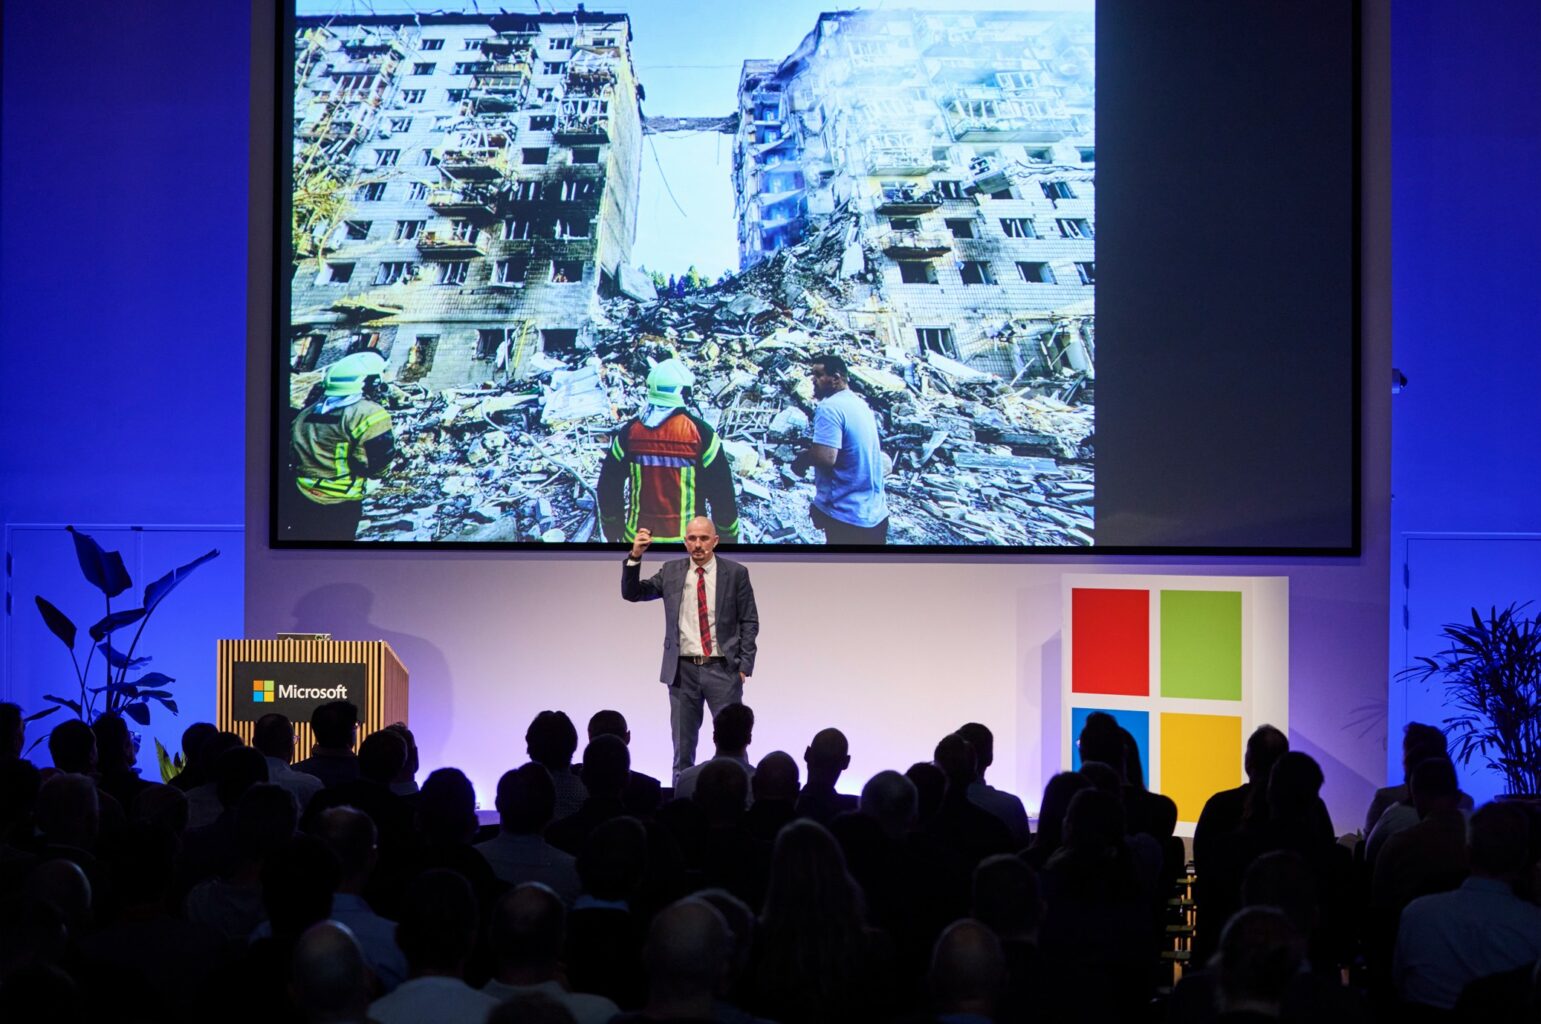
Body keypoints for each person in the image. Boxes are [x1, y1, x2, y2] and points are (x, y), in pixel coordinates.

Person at [621, 516, 759, 781]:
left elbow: (749, 620)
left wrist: (744, 666)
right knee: (683, 750)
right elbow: (633, 593)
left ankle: (741, 795)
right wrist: (635, 556)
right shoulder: (671, 571)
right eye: (692, 539)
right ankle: (680, 798)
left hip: (723, 670)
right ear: (685, 542)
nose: (698, 544)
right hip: (682, 672)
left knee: (734, 744)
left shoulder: (735, 573)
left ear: (715, 541)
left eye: (704, 538)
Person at [598, 357, 740, 545]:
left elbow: (608, 486)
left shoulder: (629, 433)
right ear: (684, 392)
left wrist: (612, 527)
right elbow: (722, 494)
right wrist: (728, 537)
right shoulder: (701, 434)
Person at [284, 350, 396, 542]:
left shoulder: (306, 414)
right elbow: (376, 464)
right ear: (370, 382)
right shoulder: (369, 414)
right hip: (340, 503)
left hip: (299, 495)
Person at [790, 353, 889, 544]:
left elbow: (826, 457)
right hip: (876, 514)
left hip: (847, 518)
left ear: (835, 378)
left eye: (818, 375)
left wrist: (803, 459)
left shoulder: (829, 407)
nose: (813, 380)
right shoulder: (860, 404)